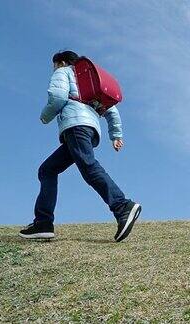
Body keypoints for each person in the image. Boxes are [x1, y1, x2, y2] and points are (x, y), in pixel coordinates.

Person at [19, 50, 141, 242]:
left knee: (88, 167)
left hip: (76, 126)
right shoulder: (88, 80)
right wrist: (115, 135)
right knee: (47, 170)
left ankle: (122, 206)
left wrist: (45, 116)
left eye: (54, 65)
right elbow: (112, 110)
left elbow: (57, 96)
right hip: (90, 129)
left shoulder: (64, 71)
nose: (53, 69)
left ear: (62, 62)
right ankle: (43, 223)